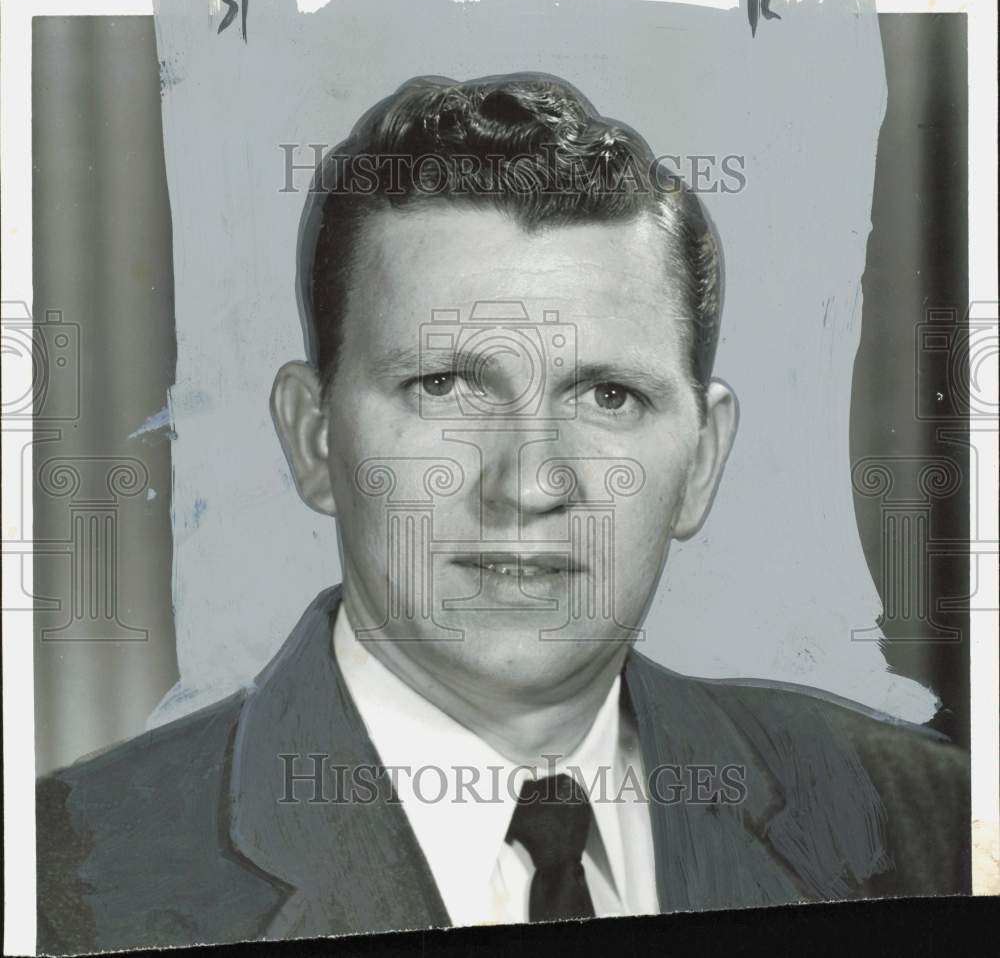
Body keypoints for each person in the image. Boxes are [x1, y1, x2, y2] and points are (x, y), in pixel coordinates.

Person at [36, 74, 970, 955]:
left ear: (701, 460)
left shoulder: (926, 820)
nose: (527, 482)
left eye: (608, 396)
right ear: (314, 438)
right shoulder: (67, 876)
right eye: (443, 386)